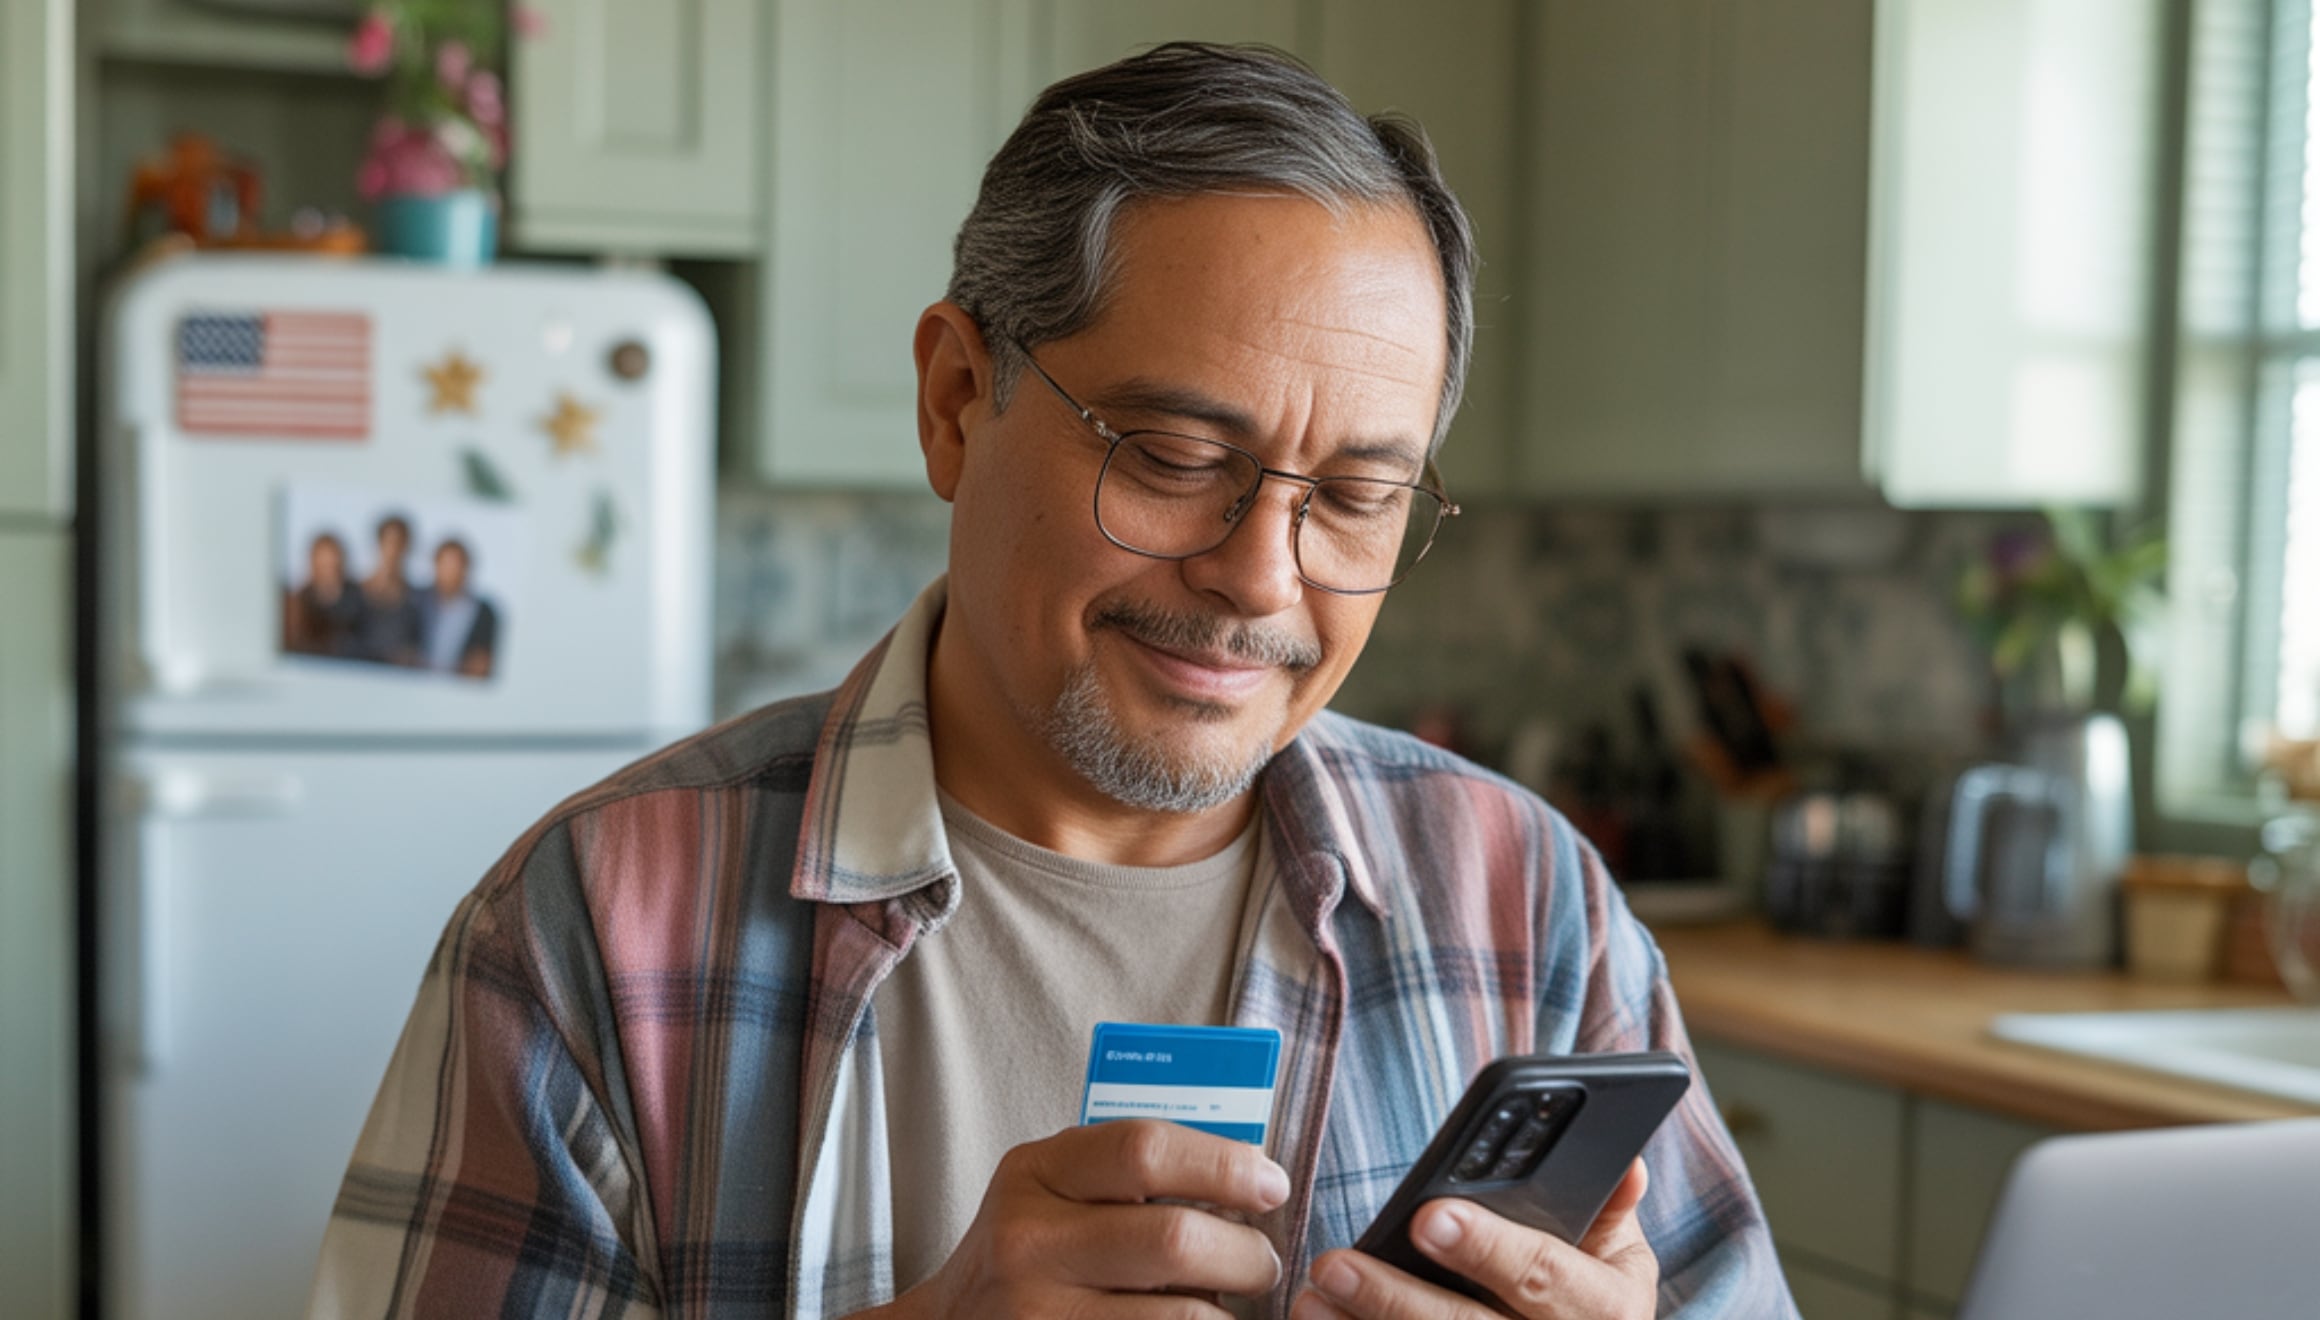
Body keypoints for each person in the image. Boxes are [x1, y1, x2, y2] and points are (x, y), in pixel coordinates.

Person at [310, 44, 1795, 1320]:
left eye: (1354, 495)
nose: (1262, 580)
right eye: (1174, 458)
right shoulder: (596, 932)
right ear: (957, 402)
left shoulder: (1530, 908)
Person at [417, 537, 499, 679]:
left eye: (458, 565)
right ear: (436, 565)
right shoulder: (416, 601)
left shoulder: (484, 612)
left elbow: (483, 661)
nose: (452, 572)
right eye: (447, 565)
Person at [351, 512, 424, 668]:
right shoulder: (354, 591)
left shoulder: (417, 599)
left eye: (400, 543)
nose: (394, 550)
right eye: (389, 542)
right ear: (378, 543)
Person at [283, 530, 364, 659]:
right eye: (324, 561)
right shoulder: (300, 600)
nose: (330, 565)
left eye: (333, 559)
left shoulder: (358, 597)